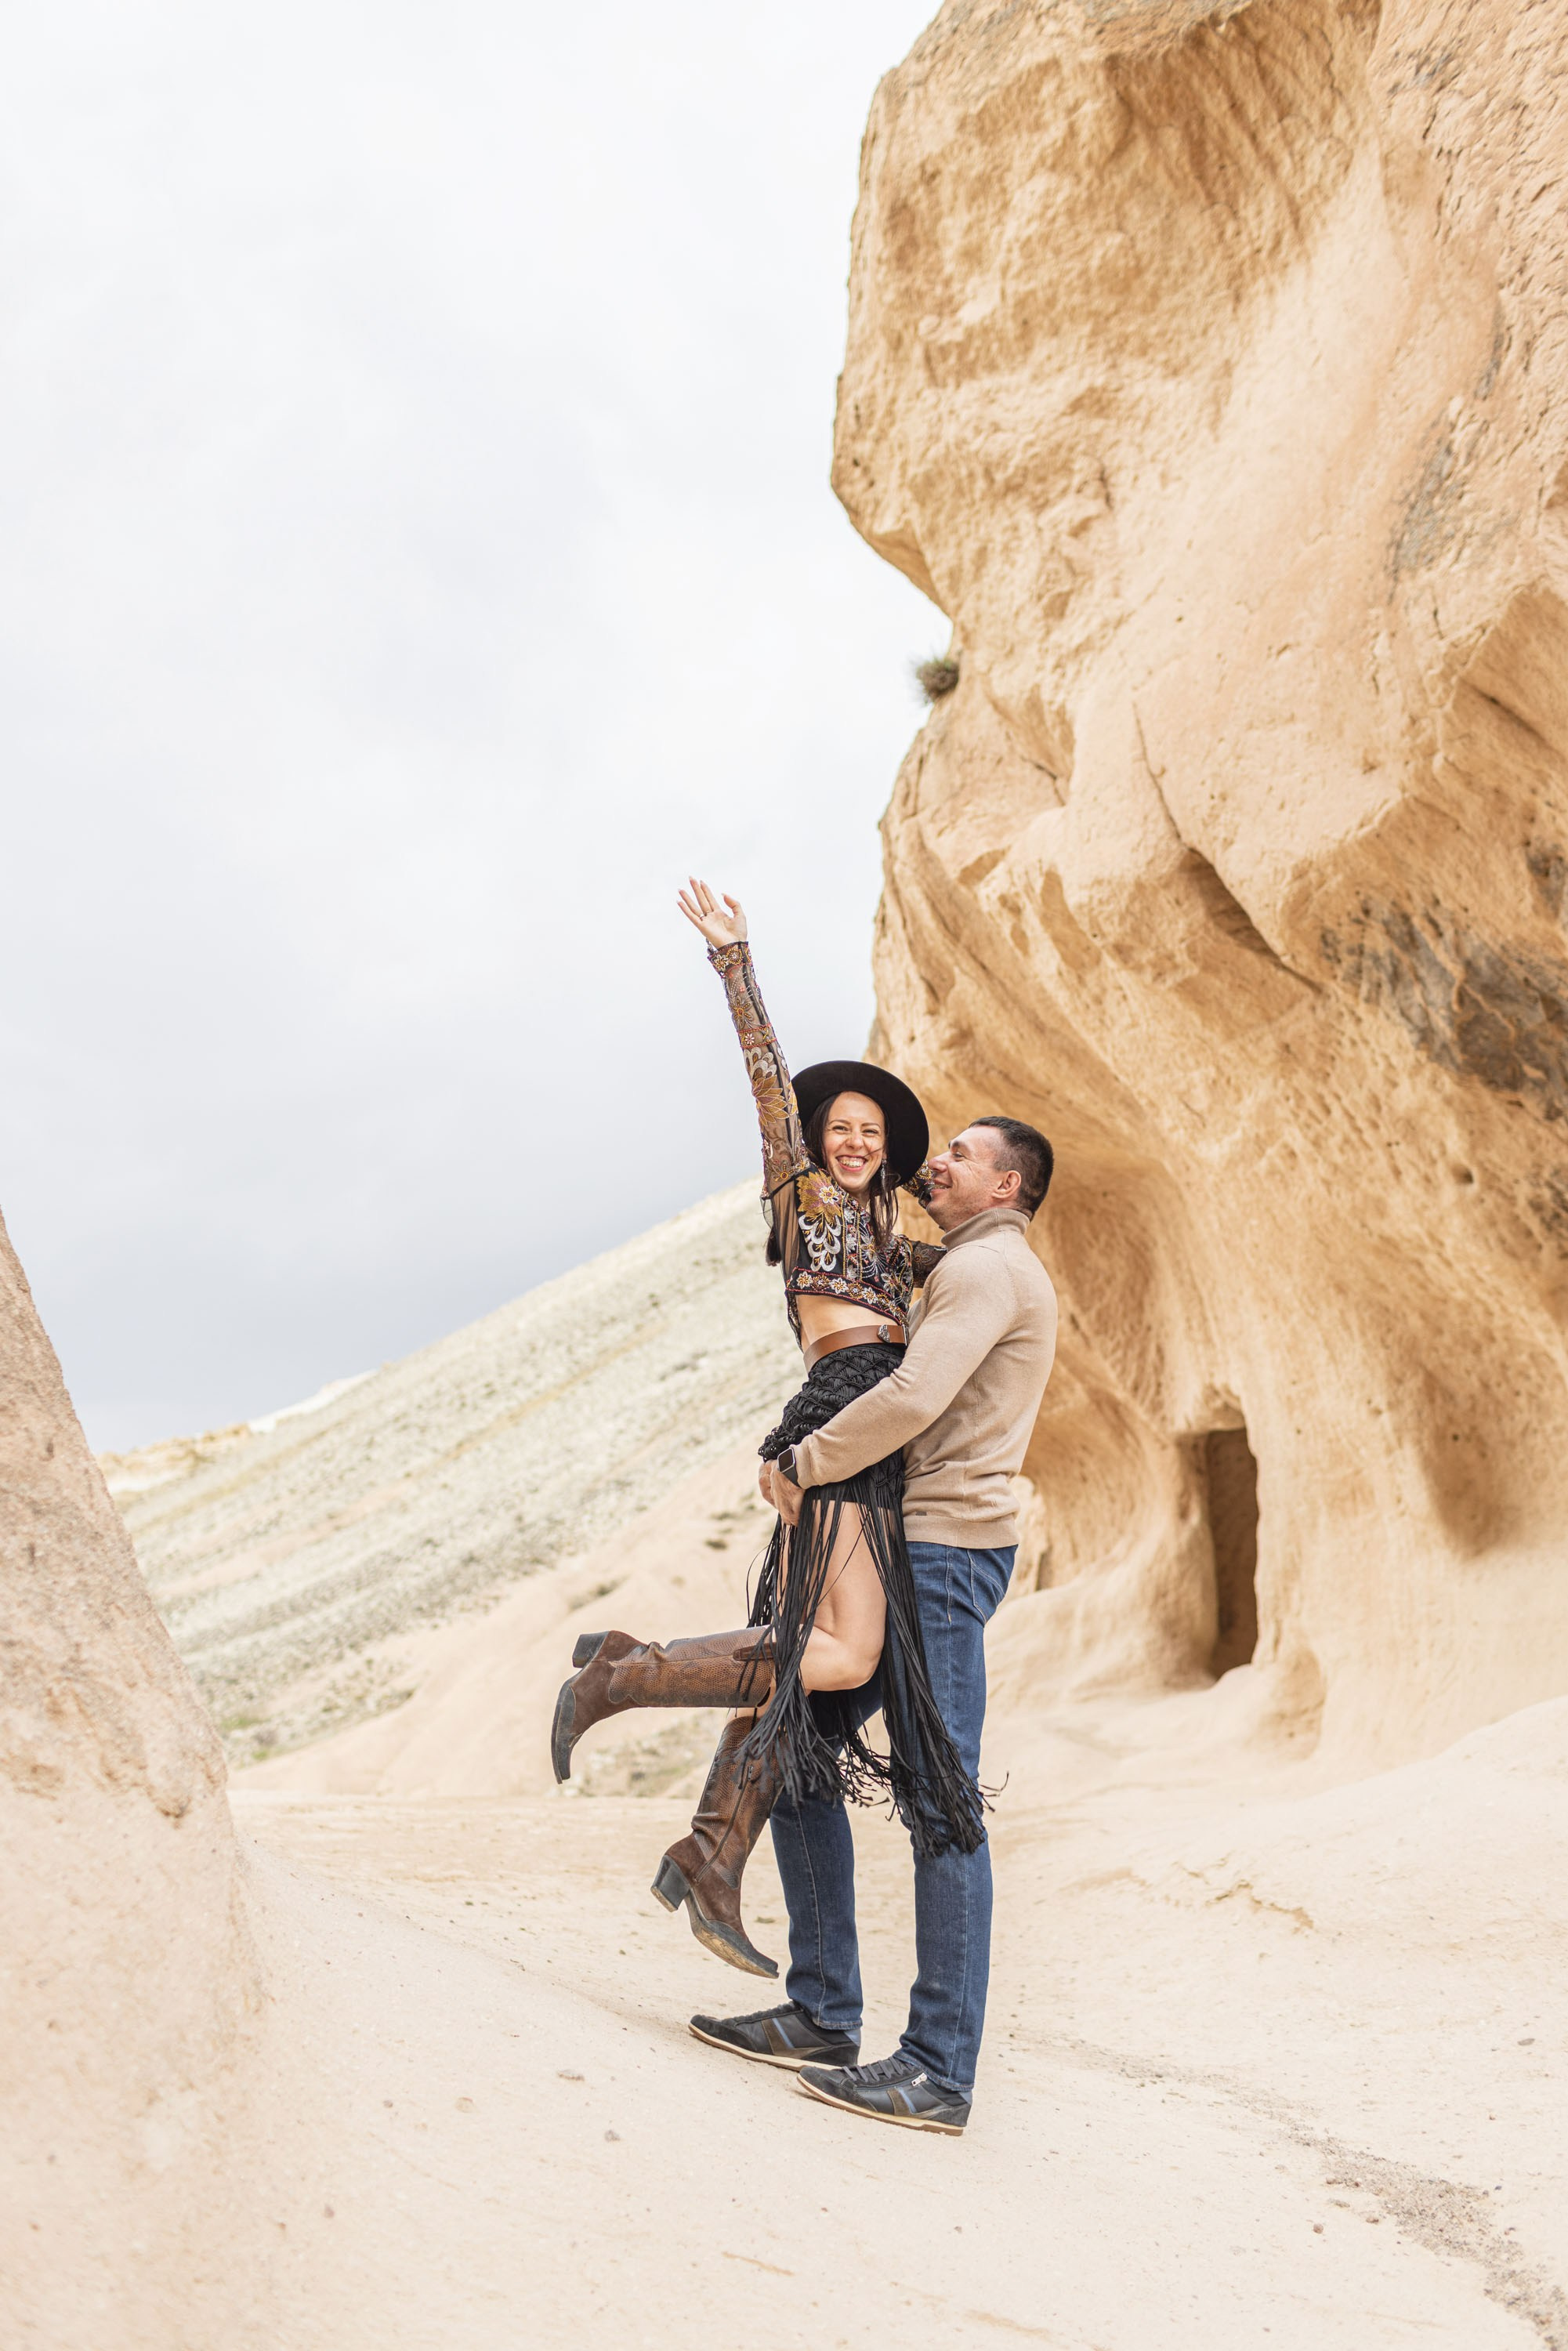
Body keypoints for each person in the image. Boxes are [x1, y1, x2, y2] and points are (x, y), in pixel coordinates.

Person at [549, 878, 980, 1976]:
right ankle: (623, 1674)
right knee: (842, 1654)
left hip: (871, 1427)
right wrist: (734, 962)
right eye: (837, 1127)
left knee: (796, 1659)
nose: (848, 1141)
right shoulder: (801, 1196)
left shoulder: (898, 1244)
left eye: (866, 1134)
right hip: (841, 1410)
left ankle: (708, 1857)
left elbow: (978, 1264)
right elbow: (764, 1084)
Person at [688, 1109, 1058, 2136]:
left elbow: (914, 1391)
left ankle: (938, 2070)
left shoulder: (989, 1274)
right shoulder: (963, 1264)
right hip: (913, 1545)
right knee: (798, 1751)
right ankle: (821, 2012)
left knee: (941, 1801)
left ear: (1007, 1188)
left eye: (963, 1156)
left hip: (940, 1557)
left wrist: (804, 1462)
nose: (938, 1161)